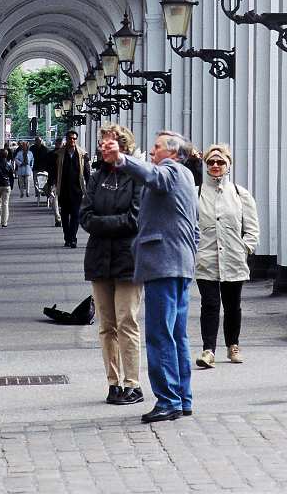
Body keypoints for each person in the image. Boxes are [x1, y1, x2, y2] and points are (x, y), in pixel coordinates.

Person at [112, 130, 199, 424]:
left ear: (173, 153)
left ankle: (167, 400)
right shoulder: (186, 176)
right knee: (176, 335)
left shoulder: (171, 172)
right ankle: (182, 398)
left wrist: (121, 158)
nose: (151, 151)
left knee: (160, 335)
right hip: (179, 263)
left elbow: (152, 175)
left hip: (163, 263)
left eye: (157, 147)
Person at [80, 124, 144, 406]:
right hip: (99, 258)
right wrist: (110, 223)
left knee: (127, 321)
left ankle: (133, 382)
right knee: (106, 325)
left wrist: (102, 224)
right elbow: (84, 215)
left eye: (109, 143)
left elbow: (135, 218)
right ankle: (113, 381)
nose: (103, 148)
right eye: (102, 144)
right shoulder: (96, 177)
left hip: (128, 259)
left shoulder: (136, 177)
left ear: (123, 146)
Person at [194, 144, 259, 369]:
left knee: (233, 305)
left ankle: (233, 345)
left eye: (220, 162)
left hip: (233, 258)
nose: (215, 166)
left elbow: (252, 228)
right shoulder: (197, 193)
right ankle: (208, 349)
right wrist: (196, 251)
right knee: (210, 304)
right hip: (207, 258)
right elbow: (190, 226)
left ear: (228, 165)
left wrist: (245, 249)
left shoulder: (240, 194)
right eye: (211, 162)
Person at [55, 129, 90, 247]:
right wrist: (51, 185)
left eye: (74, 138)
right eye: (70, 138)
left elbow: (87, 172)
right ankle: (67, 237)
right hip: (63, 190)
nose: (72, 140)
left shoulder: (82, 155)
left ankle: (73, 238)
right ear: (67, 139)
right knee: (64, 215)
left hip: (77, 190)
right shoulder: (59, 154)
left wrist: (89, 187)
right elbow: (54, 171)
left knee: (75, 215)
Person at [0, 148, 15, 227]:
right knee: (5, 204)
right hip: (6, 185)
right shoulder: (9, 164)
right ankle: (4, 222)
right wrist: (11, 185)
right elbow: (11, 176)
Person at [47, 137, 63, 226]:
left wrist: (50, 182)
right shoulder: (66, 154)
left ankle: (58, 218)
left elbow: (48, 169)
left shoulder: (50, 154)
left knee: (54, 199)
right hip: (64, 181)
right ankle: (62, 217)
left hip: (54, 180)